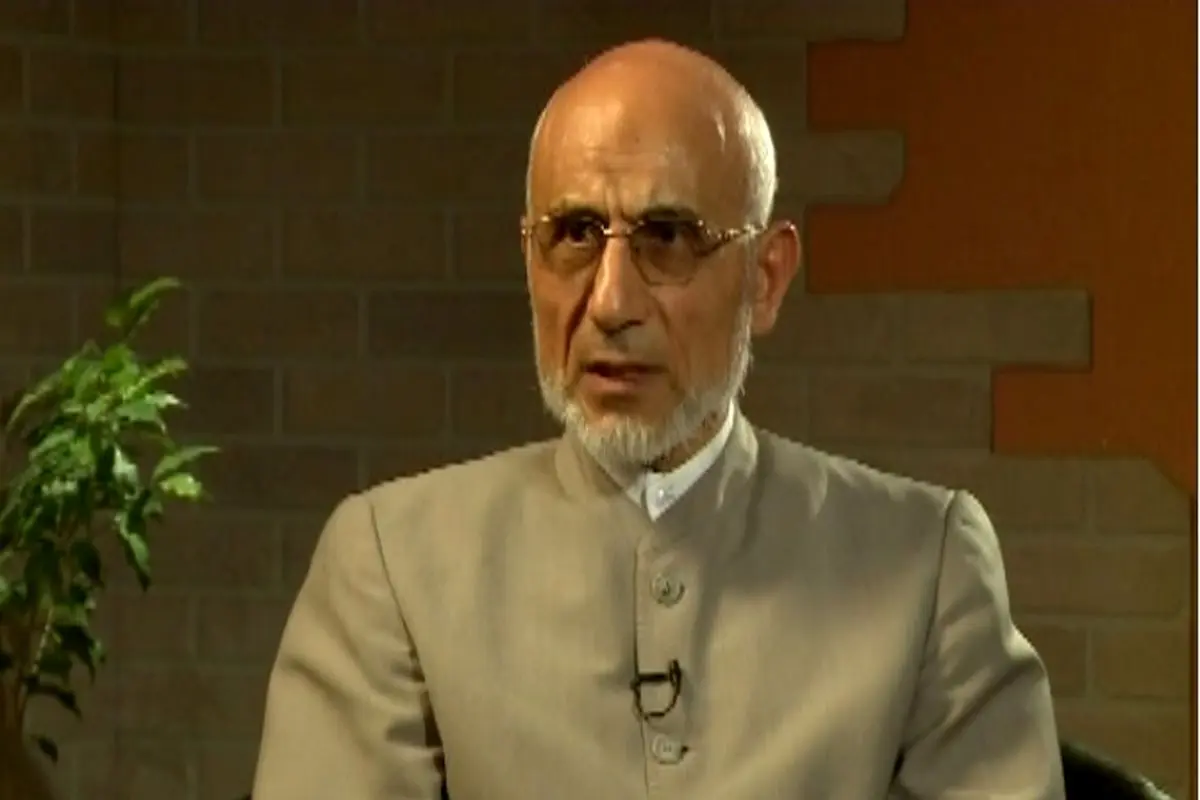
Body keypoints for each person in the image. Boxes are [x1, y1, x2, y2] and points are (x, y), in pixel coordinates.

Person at [251, 40, 1065, 799]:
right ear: (530, 261)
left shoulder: (926, 567)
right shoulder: (389, 563)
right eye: (575, 234)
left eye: (668, 237)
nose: (611, 303)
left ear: (766, 278)